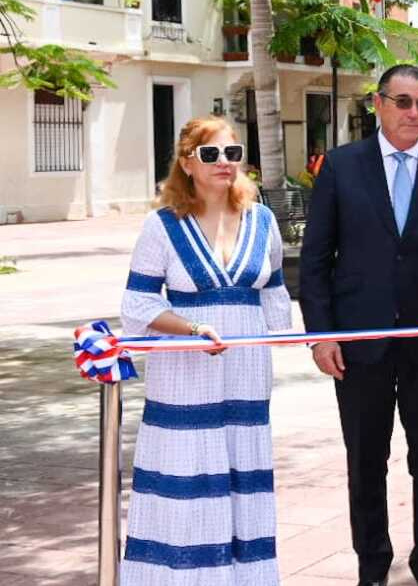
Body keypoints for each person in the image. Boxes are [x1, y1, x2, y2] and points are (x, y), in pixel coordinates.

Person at [299, 64, 418, 586]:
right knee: (366, 463)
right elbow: (315, 258)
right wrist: (321, 334)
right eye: (403, 101)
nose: (414, 113)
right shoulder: (342, 166)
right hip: (359, 343)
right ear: (379, 104)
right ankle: (373, 569)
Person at [119, 116, 292, 584]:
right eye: (210, 154)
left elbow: (274, 288)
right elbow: (137, 303)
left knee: (242, 468)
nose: (223, 163)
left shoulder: (262, 220)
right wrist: (192, 328)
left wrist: (282, 334)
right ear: (187, 162)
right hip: (185, 369)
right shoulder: (161, 226)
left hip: (246, 369)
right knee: (187, 472)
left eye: (232, 153)